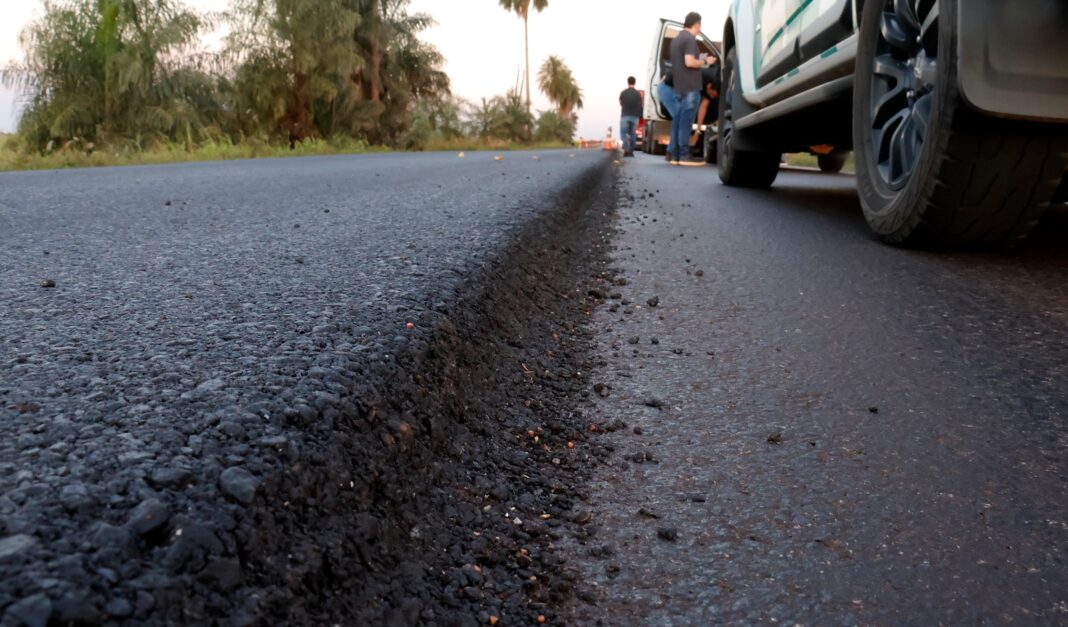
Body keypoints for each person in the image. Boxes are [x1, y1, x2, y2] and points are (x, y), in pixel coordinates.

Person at [669, 12, 715, 166]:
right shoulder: (689, 39)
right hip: (690, 87)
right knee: (686, 122)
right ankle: (684, 156)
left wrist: (698, 59)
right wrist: (706, 61)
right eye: (700, 25)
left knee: (678, 121)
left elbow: (682, 62)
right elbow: (689, 62)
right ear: (696, 24)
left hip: (678, 86)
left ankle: (675, 156)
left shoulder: (676, 40)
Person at [690, 62, 720, 154]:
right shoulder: (697, 80)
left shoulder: (712, 86)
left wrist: (697, 131)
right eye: (713, 95)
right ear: (709, 87)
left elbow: (703, 107)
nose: (713, 97)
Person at [657, 71, 680, 161]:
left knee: (679, 118)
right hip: (667, 87)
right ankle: (671, 151)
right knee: (678, 118)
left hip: (668, 86)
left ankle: (672, 151)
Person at [619, 76, 642, 158]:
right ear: (634, 83)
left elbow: (621, 103)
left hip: (625, 115)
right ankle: (631, 151)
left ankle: (626, 149)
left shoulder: (623, 92)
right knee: (633, 134)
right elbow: (640, 104)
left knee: (623, 133)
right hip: (635, 117)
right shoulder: (638, 94)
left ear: (627, 82)